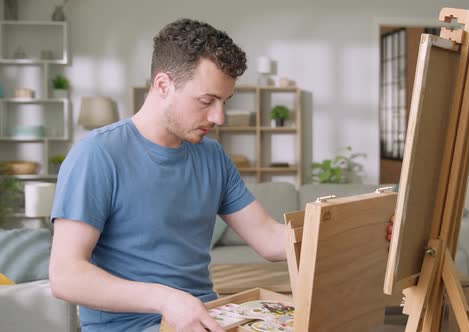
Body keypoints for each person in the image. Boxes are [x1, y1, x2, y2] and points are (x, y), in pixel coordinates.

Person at [49, 18, 393, 332]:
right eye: (207, 100)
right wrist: (166, 299)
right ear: (163, 84)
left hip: (209, 318)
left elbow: (270, 240)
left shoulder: (211, 155)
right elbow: (66, 276)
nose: (220, 117)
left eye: (225, 101)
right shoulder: (97, 154)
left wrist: (362, 230)